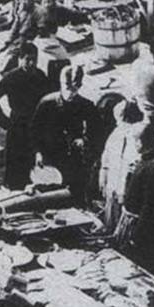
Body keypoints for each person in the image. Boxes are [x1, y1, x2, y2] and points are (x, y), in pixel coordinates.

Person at [31, 65, 102, 205]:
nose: (70, 92)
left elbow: (97, 131)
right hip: (49, 155)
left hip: (73, 157)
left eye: (75, 88)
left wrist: (84, 140)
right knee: (47, 194)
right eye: (67, 87)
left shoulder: (86, 105)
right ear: (61, 84)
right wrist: (37, 152)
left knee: (73, 194)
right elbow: (35, 131)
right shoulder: (47, 103)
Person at [116, 125, 154, 277]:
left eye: (135, 141)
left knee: (143, 269)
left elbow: (150, 205)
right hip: (135, 223)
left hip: (145, 229)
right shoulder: (148, 161)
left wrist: (138, 235)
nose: (134, 145)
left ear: (141, 142)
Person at [0, 42, 50, 190]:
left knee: (35, 167)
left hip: (36, 126)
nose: (31, 63)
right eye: (27, 59)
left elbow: (47, 100)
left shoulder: (40, 76)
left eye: (34, 59)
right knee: (15, 167)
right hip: (17, 126)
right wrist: (3, 121)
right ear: (20, 59)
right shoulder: (11, 77)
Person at [99, 101, 146, 232]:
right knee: (111, 221)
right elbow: (106, 160)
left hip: (128, 186)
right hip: (113, 185)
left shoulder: (139, 133)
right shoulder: (116, 134)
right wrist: (103, 178)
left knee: (125, 224)